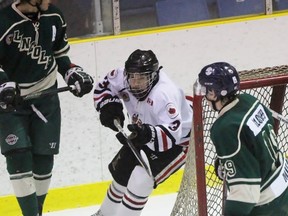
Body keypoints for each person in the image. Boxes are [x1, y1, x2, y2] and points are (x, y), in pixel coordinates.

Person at [0, 1, 94, 216]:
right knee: (18, 157)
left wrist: (71, 72)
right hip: (12, 102)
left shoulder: (54, 16)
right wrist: (3, 83)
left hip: (45, 98)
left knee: (44, 160)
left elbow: (60, 55)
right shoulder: (3, 21)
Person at [92, 49, 192, 216]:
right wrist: (109, 106)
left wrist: (148, 134)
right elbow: (105, 85)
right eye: (132, 77)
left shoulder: (164, 94)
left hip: (180, 140)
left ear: (152, 76)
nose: (135, 83)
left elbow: (171, 135)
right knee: (122, 171)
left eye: (142, 78)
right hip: (145, 131)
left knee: (140, 180)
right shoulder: (124, 77)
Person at [197, 62, 288, 215]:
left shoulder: (224, 128)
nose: (205, 95)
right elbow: (265, 129)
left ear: (214, 93)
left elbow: (246, 193)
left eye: (207, 90)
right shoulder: (248, 100)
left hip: (269, 206)